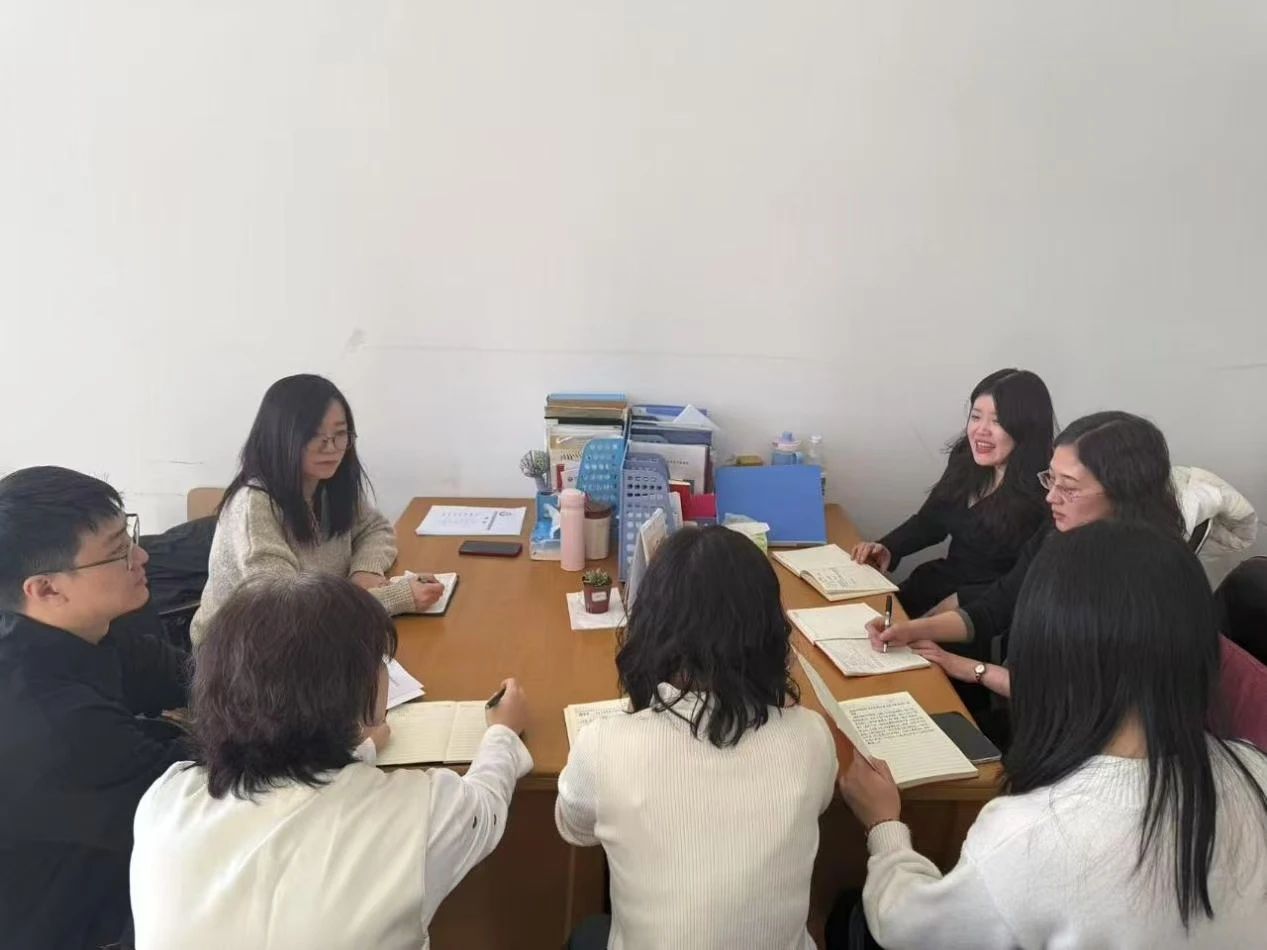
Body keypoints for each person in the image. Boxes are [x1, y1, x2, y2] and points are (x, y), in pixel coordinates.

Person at [831, 521, 1267, 949]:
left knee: (848, 917)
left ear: (1047, 649)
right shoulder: (1254, 769)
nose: (1054, 495)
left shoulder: (1030, 834)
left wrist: (884, 825)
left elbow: (906, 929)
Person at [131, 572, 532, 949]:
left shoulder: (165, 799)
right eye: (380, 662)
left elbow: (291, 806)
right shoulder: (420, 812)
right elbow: (485, 807)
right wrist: (502, 732)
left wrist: (363, 749)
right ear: (350, 691)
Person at [556, 525, 837, 950]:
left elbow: (575, 827)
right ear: (769, 631)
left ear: (649, 627)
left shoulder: (603, 744)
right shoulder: (812, 737)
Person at [0, 466, 189, 949]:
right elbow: (196, 794)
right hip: (73, 927)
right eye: (118, 551)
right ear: (46, 589)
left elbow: (192, 677)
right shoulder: (52, 720)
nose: (141, 556)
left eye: (130, 537)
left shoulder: (93, 627)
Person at [873, 411, 1183, 663]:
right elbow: (997, 606)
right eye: (1051, 479)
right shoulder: (1055, 533)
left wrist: (975, 671)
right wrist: (910, 630)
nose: (1051, 497)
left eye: (1068, 486)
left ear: (1123, 492)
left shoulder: (1152, 577)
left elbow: (1092, 694)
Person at [190, 373, 442, 646]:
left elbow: (374, 528)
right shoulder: (254, 505)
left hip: (317, 635)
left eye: (340, 434)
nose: (331, 448)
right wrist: (394, 598)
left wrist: (365, 571)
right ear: (280, 438)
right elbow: (287, 610)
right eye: (314, 436)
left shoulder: (325, 483)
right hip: (246, 654)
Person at [852, 369, 1055, 620]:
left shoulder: (1047, 493)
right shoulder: (965, 458)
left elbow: (1025, 582)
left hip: (980, 611)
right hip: (934, 585)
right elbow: (931, 521)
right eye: (976, 417)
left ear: (1026, 429)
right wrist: (888, 547)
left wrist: (960, 603)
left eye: (997, 421)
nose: (980, 430)